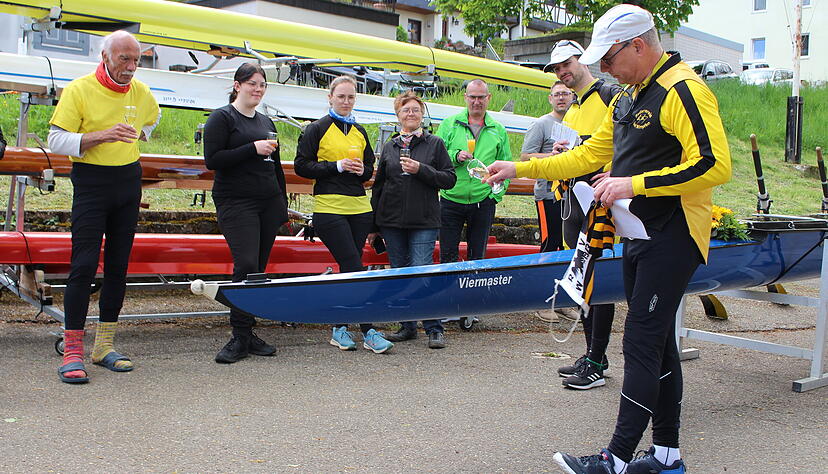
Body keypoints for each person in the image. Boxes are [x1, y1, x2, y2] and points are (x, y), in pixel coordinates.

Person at [486, 5, 731, 473]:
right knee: (658, 346)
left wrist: (632, 184)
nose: (602, 67)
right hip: (640, 232)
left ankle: (615, 459)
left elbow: (715, 165)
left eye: (610, 56)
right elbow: (588, 155)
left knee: (639, 341)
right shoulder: (626, 95)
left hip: (674, 232)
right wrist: (521, 168)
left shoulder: (683, 89)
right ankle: (666, 456)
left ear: (639, 45)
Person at [47, 30, 160, 384]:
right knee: (82, 266)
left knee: (118, 266)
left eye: (136, 60)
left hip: (128, 180)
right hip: (92, 182)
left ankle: (104, 345)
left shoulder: (141, 91)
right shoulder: (79, 89)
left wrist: (142, 133)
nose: (130, 67)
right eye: (123, 59)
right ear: (105, 57)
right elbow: (56, 139)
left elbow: (152, 119)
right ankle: (73, 350)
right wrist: (101, 135)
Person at [543, 39, 623, 391]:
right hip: (574, 202)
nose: (563, 71)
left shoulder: (609, 95)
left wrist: (618, 173)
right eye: (557, 68)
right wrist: (562, 151)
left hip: (603, 204)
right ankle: (593, 353)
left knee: (600, 280)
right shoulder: (572, 109)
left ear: (583, 60)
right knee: (582, 280)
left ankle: (596, 361)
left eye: (567, 63)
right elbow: (577, 154)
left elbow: (628, 141)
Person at [295, 75, 393, 354]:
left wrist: (358, 170)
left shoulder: (360, 131)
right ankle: (368, 330)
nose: (346, 101)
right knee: (353, 267)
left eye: (351, 97)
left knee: (350, 269)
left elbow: (368, 170)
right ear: (330, 97)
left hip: (359, 208)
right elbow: (302, 166)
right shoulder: (316, 129)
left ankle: (339, 327)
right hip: (329, 207)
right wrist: (335, 166)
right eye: (341, 96)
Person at [204, 63, 288, 364]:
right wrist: (251, 148)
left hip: (267, 202)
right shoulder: (222, 117)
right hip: (236, 202)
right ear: (237, 85)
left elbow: (276, 167)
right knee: (246, 264)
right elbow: (213, 160)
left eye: (263, 85)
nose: (258, 89)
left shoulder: (266, 121)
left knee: (258, 271)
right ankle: (239, 336)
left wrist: (281, 204)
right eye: (253, 83)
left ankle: (248, 331)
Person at [370, 91, 456, 349]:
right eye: (406, 110)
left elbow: (449, 179)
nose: (411, 114)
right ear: (398, 115)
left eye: (416, 110)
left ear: (422, 115)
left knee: (422, 273)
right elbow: (379, 186)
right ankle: (407, 326)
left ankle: (433, 327)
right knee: (400, 274)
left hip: (424, 220)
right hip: (392, 221)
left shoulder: (435, 144)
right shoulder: (390, 146)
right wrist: (374, 225)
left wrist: (421, 170)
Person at [436, 79, 511, 264]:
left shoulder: (498, 130)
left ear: (489, 98)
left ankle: (473, 290)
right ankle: (448, 291)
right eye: (472, 97)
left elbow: (507, 165)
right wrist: (455, 156)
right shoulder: (449, 125)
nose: (476, 102)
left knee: (478, 257)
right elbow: (435, 157)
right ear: (465, 98)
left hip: (482, 201)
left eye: (481, 97)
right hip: (451, 198)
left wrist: (495, 196)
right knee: (447, 256)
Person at [520, 80, 574, 252]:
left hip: (573, 194)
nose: (561, 98)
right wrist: (551, 156)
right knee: (551, 242)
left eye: (565, 94)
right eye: (557, 94)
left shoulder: (577, 122)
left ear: (572, 97)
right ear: (550, 99)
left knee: (571, 243)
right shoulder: (541, 124)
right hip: (549, 194)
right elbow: (525, 157)